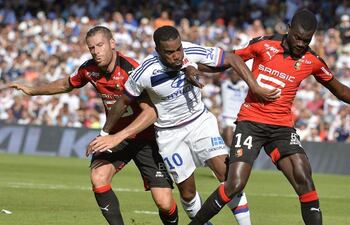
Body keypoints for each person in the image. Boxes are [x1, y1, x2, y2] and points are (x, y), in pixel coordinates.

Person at [186, 9, 350, 225]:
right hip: (251, 122)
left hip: (281, 128)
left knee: (304, 178)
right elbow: (227, 60)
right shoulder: (263, 44)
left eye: (307, 40)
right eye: (298, 37)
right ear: (289, 30)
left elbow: (338, 89)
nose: (301, 44)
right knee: (234, 184)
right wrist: (193, 66)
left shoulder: (312, 60)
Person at [87, 25, 280, 225]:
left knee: (226, 174)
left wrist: (255, 87)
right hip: (170, 135)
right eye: (170, 52)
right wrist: (105, 132)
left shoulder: (190, 51)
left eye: (178, 49)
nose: (177, 55)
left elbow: (232, 59)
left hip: (200, 122)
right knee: (187, 193)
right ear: (158, 50)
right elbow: (122, 102)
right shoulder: (144, 71)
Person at [8, 26, 179, 225]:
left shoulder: (132, 70)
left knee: (164, 203)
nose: (96, 52)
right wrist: (33, 91)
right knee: (98, 177)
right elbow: (66, 84)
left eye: (100, 45)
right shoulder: (89, 69)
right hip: (114, 136)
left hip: (145, 138)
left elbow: (151, 113)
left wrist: (116, 136)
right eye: (92, 48)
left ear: (112, 44)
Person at [220, 69, 248, 146]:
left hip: (239, 117)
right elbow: (219, 75)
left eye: (237, 74)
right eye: (233, 74)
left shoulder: (244, 85)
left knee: (237, 143)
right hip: (227, 116)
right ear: (230, 75)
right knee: (228, 141)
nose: (235, 76)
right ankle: (228, 155)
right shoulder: (225, 84)